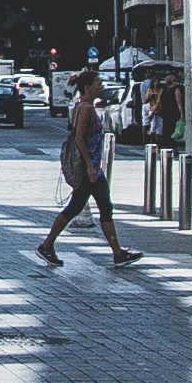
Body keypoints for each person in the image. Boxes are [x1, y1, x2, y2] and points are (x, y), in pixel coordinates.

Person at [38, 66, 127, 271]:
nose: (102, 86)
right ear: (88, 87)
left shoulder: (83, 105)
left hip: (93, 168)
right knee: (87, 207)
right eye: (98, 83)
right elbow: (79, 138)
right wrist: (89, 166)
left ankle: (117, 252)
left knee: (88, 207)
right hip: (91, 169)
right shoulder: (86, 108)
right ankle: (47, 245)